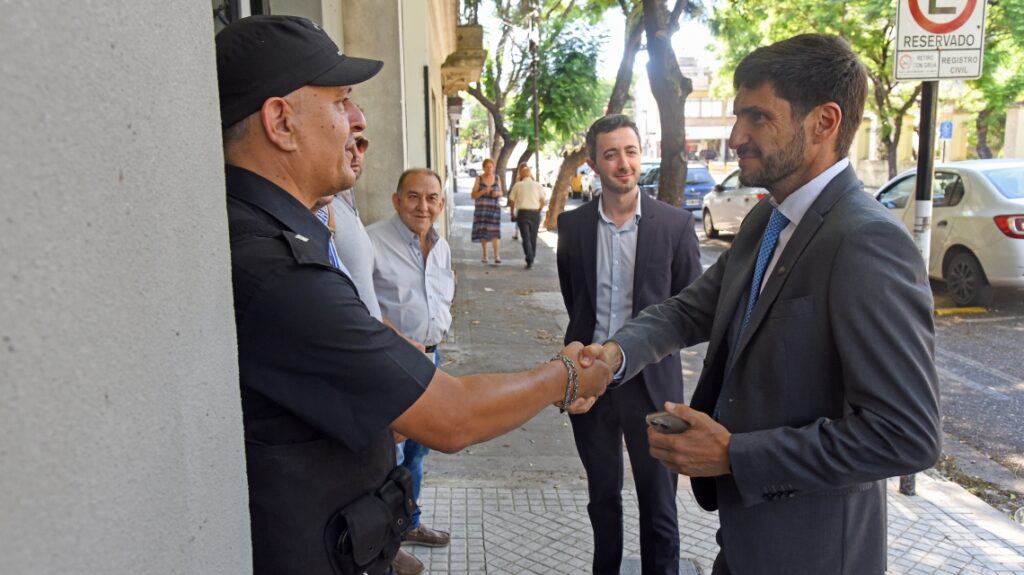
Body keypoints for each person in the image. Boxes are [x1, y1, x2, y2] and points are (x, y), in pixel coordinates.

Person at [216, 15, 612, 575]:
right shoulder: (277, 267)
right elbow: (453, 418)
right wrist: (566, 376)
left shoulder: (274, 231)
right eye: (340, 102)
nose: (358, 121)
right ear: (280, 121)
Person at [580, 34, 941, 574]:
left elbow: (906, 435)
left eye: (757, 118)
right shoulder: (764, 221)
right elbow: (688, 309)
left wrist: (733, 456)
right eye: (736, 117)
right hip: (745, 541)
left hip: (813, 554)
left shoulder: (866, 241)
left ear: (824, 122)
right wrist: (611, 357)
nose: (735, 137)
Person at [556, 114, 702, 575]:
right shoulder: (573, 226)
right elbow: (574, 299)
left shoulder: (674, 225)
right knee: (602, 499)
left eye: (631, 151)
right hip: (590, 383)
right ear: (595, 164)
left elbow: (690, 307)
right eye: (612, 154)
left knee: (659, 505)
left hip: (652, 386)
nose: (624, 163)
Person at [367, 169, 454, 564]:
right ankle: (388, 543)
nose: (424, 206)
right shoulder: (371, 242)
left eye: (432, 198)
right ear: (396, 199)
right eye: (414, 197)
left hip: (430, 360)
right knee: (392, 455)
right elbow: (359, 307)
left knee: (419, 450)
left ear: (441, 203)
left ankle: (410, 522)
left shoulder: (440, 245)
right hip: (390, 364)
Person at [507, 164, 548, 270]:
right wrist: (539, 210)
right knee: (533, 237)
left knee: (525, 237)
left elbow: (511, 201)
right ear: (531, 175)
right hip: (535, 213)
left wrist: (512, 213)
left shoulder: (518, 185)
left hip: (523, 213)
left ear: (521, 175)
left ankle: (529, 257)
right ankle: (531, 257)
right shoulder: (538, 185)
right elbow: (543, 201)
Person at [470, 158, 502, 264]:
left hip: (494, 209)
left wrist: (496, 193)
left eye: (491, 167)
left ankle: (497, 256)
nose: (489, 169)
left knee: (494, 232)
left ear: (493, 167)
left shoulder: (497, 178)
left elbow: (501, 192)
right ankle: (485, 255)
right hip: (482, 210)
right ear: (483, 168)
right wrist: (483, 191)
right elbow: (473, 195)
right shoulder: (479, 179)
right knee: (484, 232)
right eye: (487, 167)